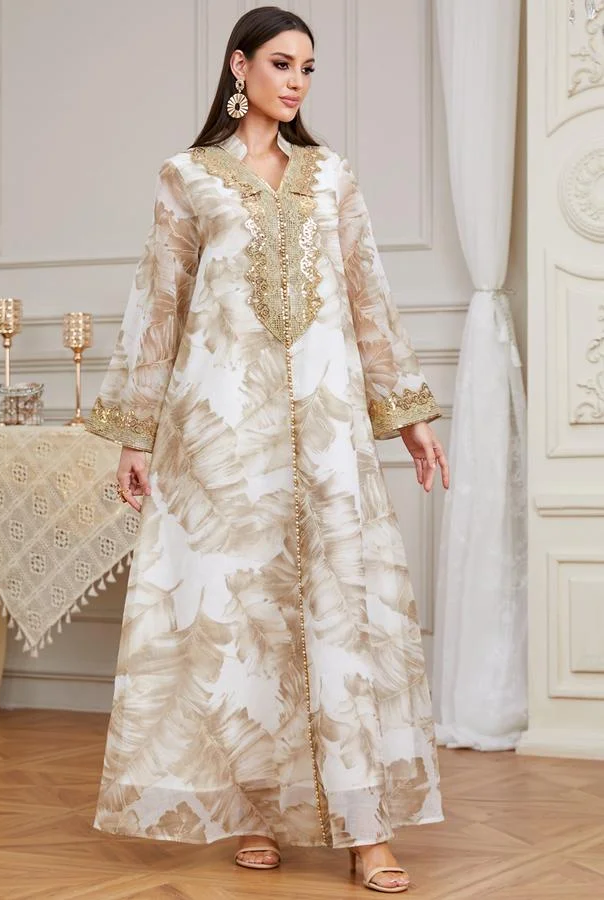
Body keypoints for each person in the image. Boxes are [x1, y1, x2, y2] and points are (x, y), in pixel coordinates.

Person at [85, 5, 449, 894]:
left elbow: (369, 297)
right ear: (239, 66)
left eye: (309, 68)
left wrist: (410, 415)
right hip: (220, 433)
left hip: (327, 432)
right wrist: (135, 434)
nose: (297, 81)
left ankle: (367, 830)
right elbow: (159, 306)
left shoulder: (331, 177)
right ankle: (258, 811)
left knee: (341, 610)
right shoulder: (187, 177)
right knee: (242, 616)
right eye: (282, 63)